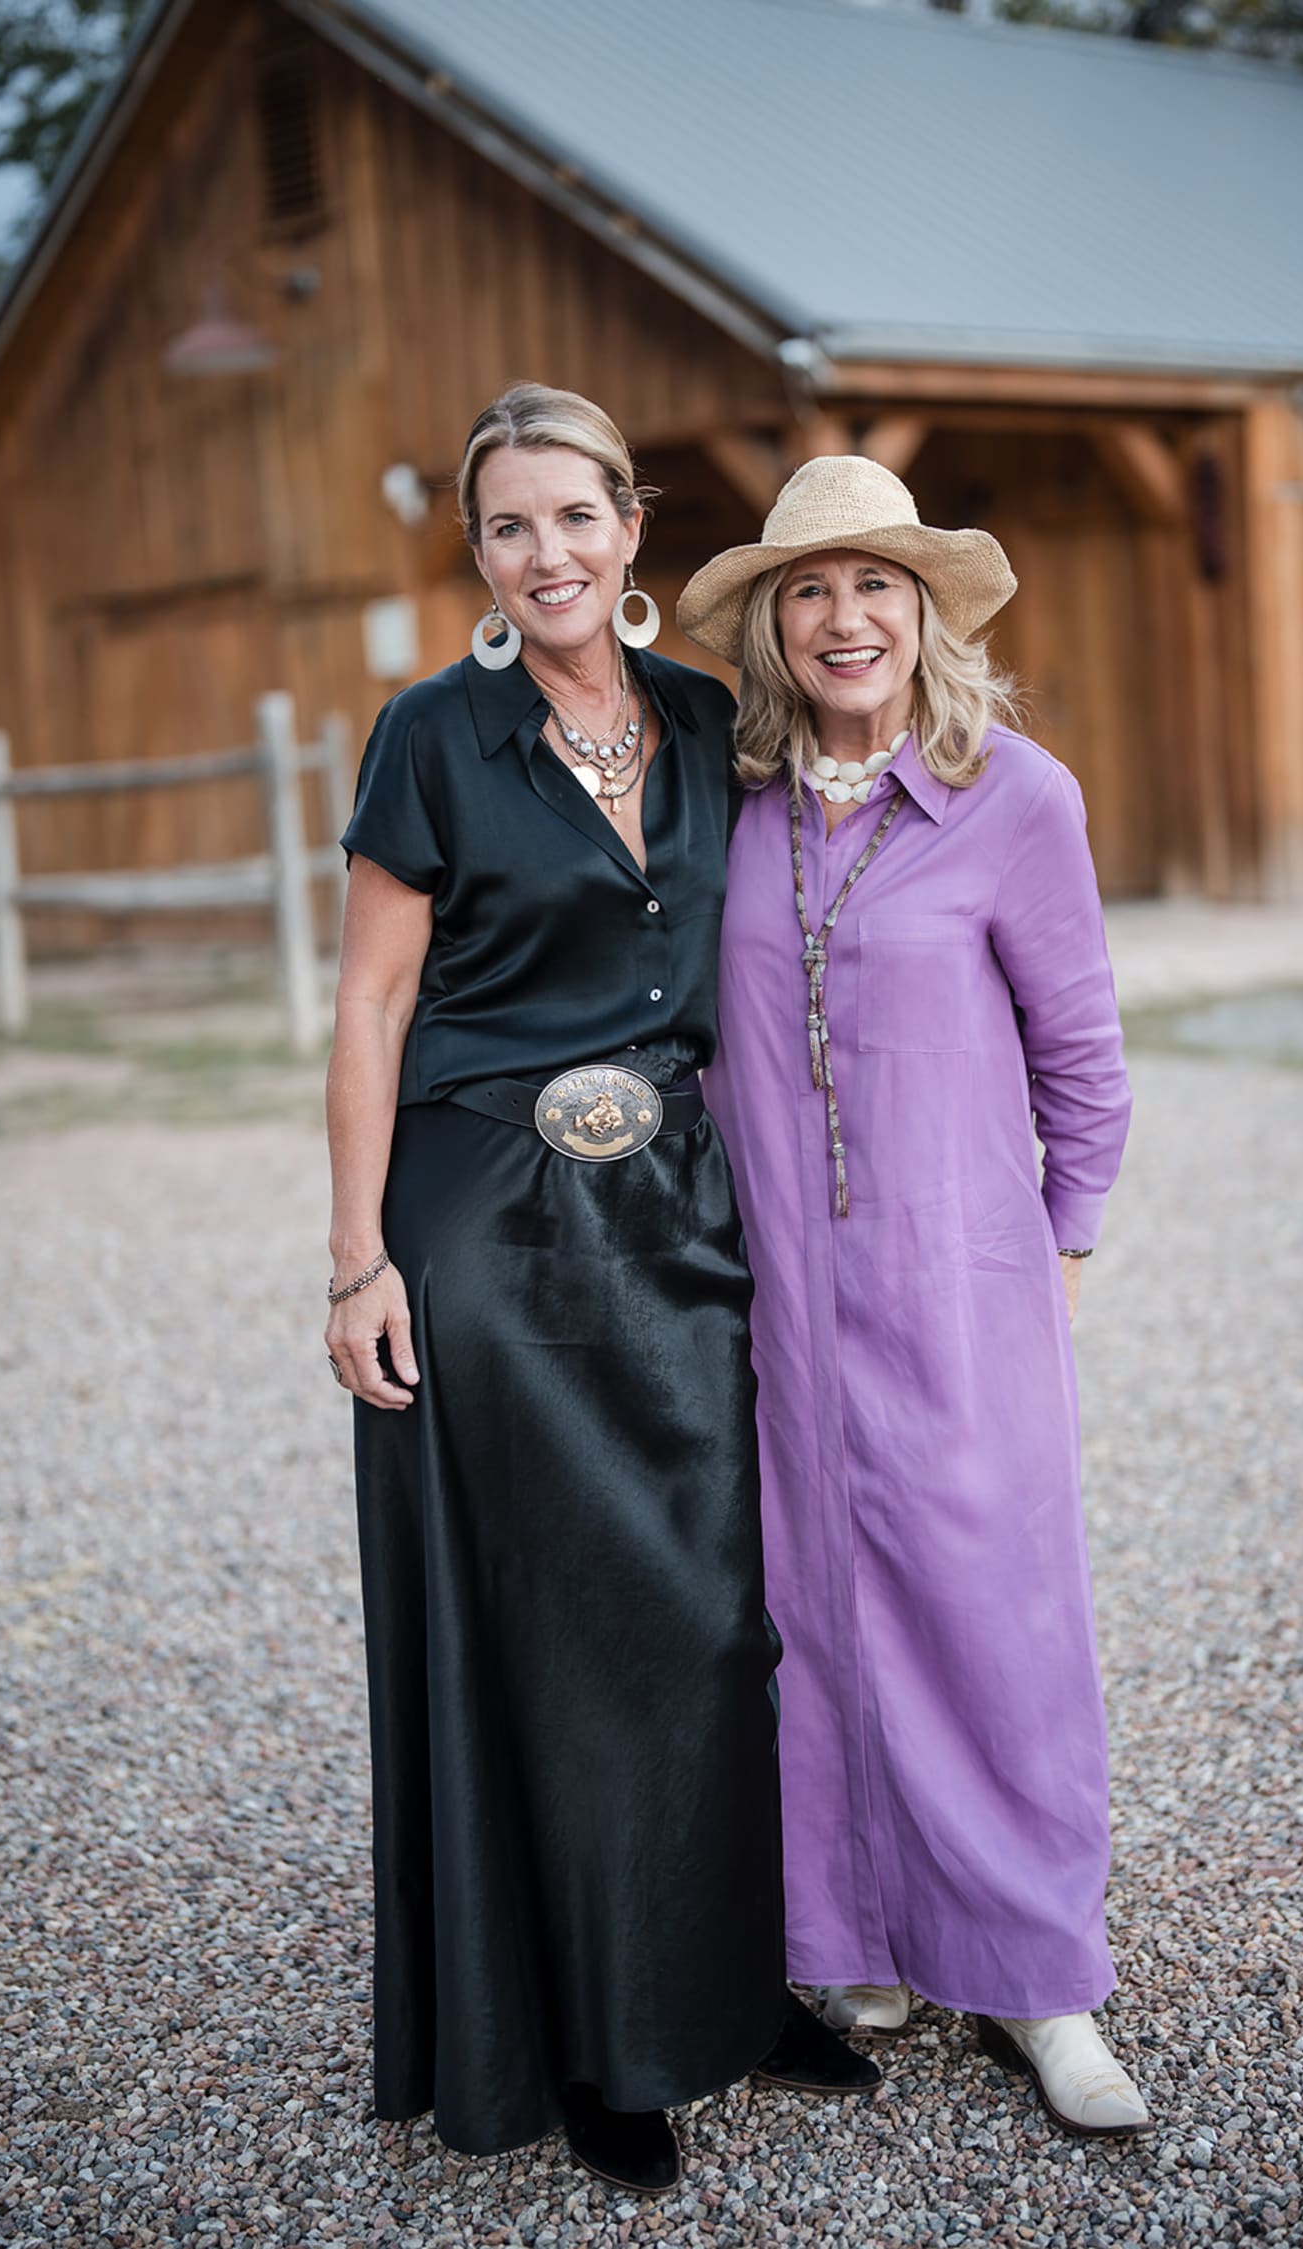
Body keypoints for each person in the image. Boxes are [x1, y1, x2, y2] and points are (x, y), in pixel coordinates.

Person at [323, 386, 876, 2196]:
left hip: (682, 1206)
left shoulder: (711, 718)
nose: (546, 553)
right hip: (487, 1218)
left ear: (633, 526)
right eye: (510, 526)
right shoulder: (432, 734)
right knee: (555, 1633)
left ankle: (725, 1983)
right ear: (478, 553)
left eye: (576, 515)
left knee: (714, 1615)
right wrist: (357, 1256)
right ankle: (593, 2039)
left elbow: (845, 841)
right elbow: (370, 1005)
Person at [679, 455, 1149, 2138]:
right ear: (772, 625)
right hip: (777, 1300)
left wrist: (1060, 1254)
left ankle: (1042, 1978)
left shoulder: (1017, 797)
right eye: (809, 588)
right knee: (812, 1608)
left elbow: (1084, 1059)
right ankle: (863, 1933)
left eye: (875, 582)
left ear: (926, 609)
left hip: (964, 1284)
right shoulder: (731, 811)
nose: (843, 615)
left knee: (993, 1612)